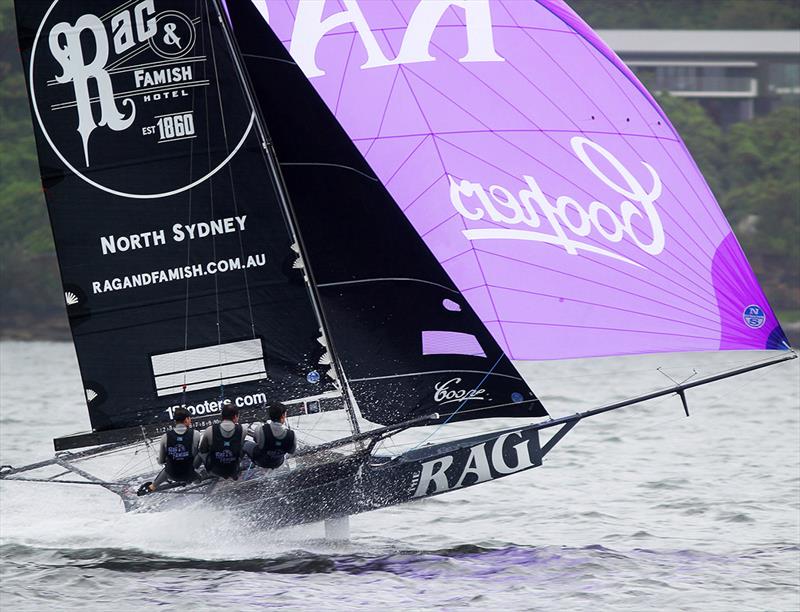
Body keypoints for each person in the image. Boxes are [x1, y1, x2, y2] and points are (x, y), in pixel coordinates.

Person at [137, 407, 202, 495]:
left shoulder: (165, 437)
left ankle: (152, 487)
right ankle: (190, 479)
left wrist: (175, 456)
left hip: (172, 475)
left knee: (169, 467)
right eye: (190, 418)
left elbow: (161, 461)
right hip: (190, 474)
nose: (191, 421)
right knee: (197, 467)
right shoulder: (196, 434)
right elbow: (195, 456)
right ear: (186, 419)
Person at [199, 403, 247, 479]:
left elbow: (202, 450)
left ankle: (194, 473)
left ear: (222, 416)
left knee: (200, 451)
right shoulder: (243, 430)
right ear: (235, 416)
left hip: (214, 469)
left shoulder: (209, 430)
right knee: (245, 444)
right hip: (233, 468)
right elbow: (238, 448)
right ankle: (235, 470)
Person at [244, 402, 296, 470]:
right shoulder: (291, 435)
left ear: (269, 415)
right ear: (283, 416)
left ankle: (239, 465)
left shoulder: (261, 429)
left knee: (242, 442)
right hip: (278, 462)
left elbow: (256, 440)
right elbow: (291, 451)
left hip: (261, 461)